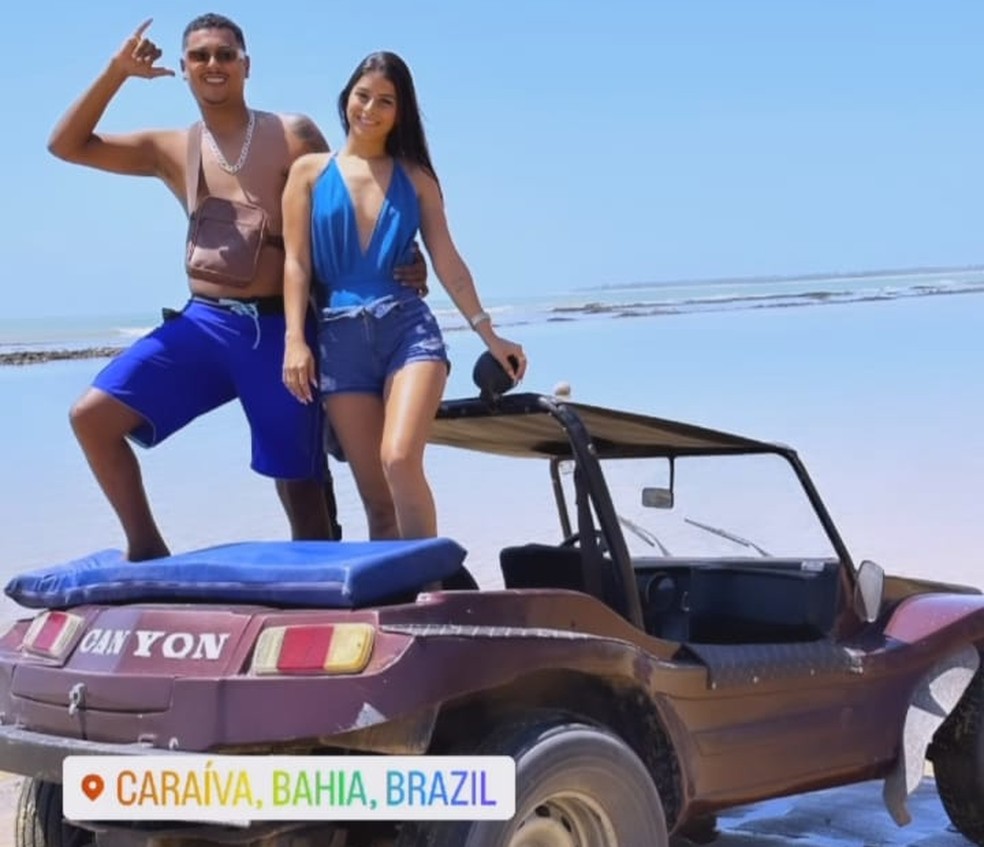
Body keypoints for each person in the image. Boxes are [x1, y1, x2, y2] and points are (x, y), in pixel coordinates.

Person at [45, 16, 429, 560]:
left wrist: (406, 256)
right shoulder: (170, 148)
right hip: (204, 322)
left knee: (302, 492)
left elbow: (354, 196)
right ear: (183, 69)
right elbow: (66, 145)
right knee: (92, 417)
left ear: (246, 66)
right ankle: (147, 551)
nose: (213, 65)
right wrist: (117, 72)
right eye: (199, 56)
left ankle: (327, 580)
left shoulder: (293, 134)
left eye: (225, 55)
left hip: (279, 330)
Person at [281, 51, 528, 541]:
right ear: (346, 97)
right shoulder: (308, 172)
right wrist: (295, 339)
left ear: (401, 112)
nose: (370, 109)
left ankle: (429, 582)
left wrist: (490, 333)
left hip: (407, 332)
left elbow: (448, 261)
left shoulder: (416, 178)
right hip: (339, 343)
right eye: (362, 96)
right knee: (377, 503)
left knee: (398, 459)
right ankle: (401, 587)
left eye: (385, 101)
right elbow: (296, 264)